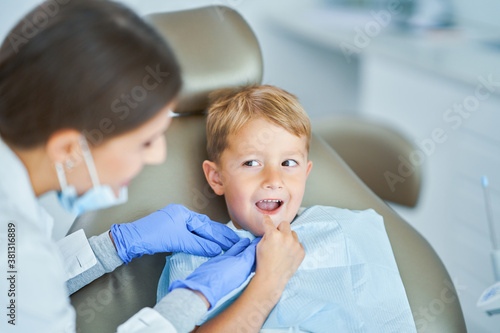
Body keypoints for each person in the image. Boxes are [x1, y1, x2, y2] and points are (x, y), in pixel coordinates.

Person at [0, 2, 304, 333]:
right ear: (70, 149)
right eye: (145, 142)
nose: (159, 155)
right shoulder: (21, 245)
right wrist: (204, 297)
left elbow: (11, 288)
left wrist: (114, 246)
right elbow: (23, 282)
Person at [157, 85, 417, 332]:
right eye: (251, 163)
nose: (273, 180)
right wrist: (269, 281)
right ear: (217, 178)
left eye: (288, 162)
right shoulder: (194, 258)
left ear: (306, 173)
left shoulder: (343, 233)